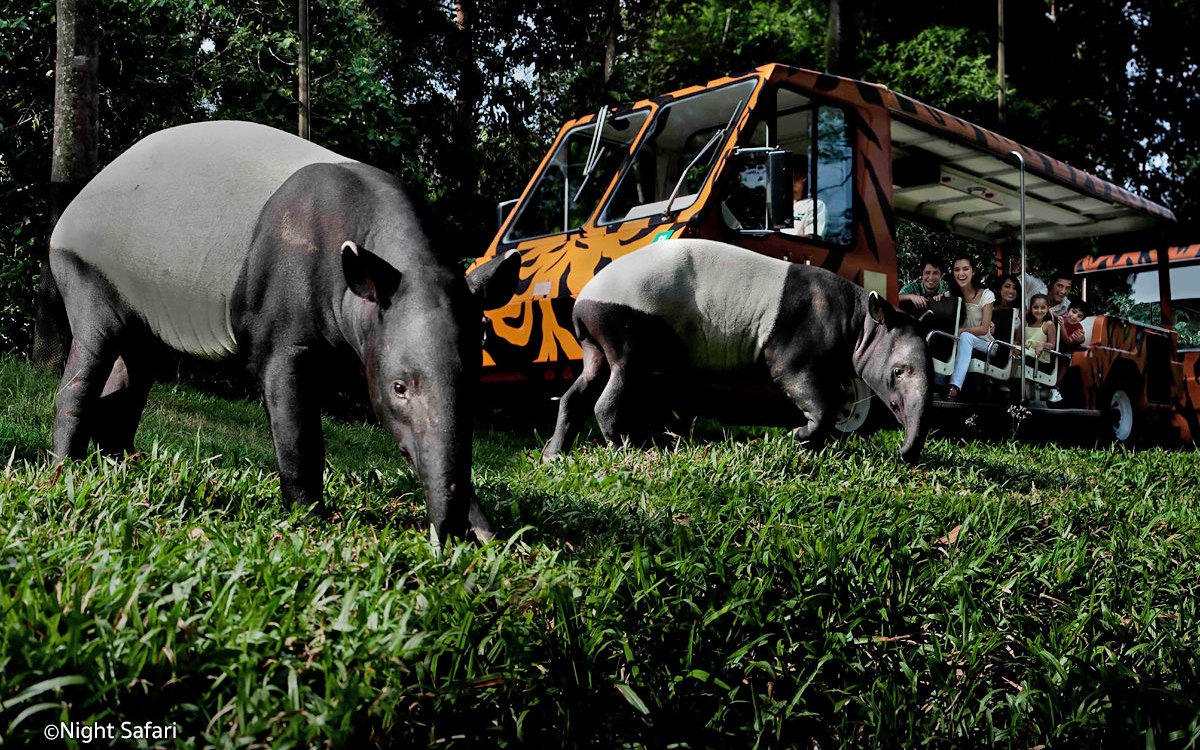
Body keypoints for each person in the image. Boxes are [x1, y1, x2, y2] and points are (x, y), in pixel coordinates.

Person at [945, 255, 995, 402]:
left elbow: (984, 329)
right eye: (957, 270)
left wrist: (961, 331)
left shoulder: (986, 295)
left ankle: (954, 386)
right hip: (960, 343)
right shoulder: (950, 296)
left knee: (966, 337)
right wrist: (937, 299)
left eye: (965, 269)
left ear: (973, 271)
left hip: (987, 344)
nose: (961, 274)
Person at [1023, 293, 1062, 403]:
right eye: (1035, 307)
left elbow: (1052, 345)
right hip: (1027, 355)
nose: (1039, 311)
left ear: (1048, 308)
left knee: (1021, 359)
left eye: (1042, 308)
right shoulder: (1025, 324)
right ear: (1030, 308)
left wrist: (1042, 345)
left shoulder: (1048, 325)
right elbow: (1017, 341)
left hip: (1041, 360)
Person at [781, 154, 826, 238]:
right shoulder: (777, 204)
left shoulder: (815, 205)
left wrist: (780, 241)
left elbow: (811, 237)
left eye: (788, 171)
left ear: (804, 176)